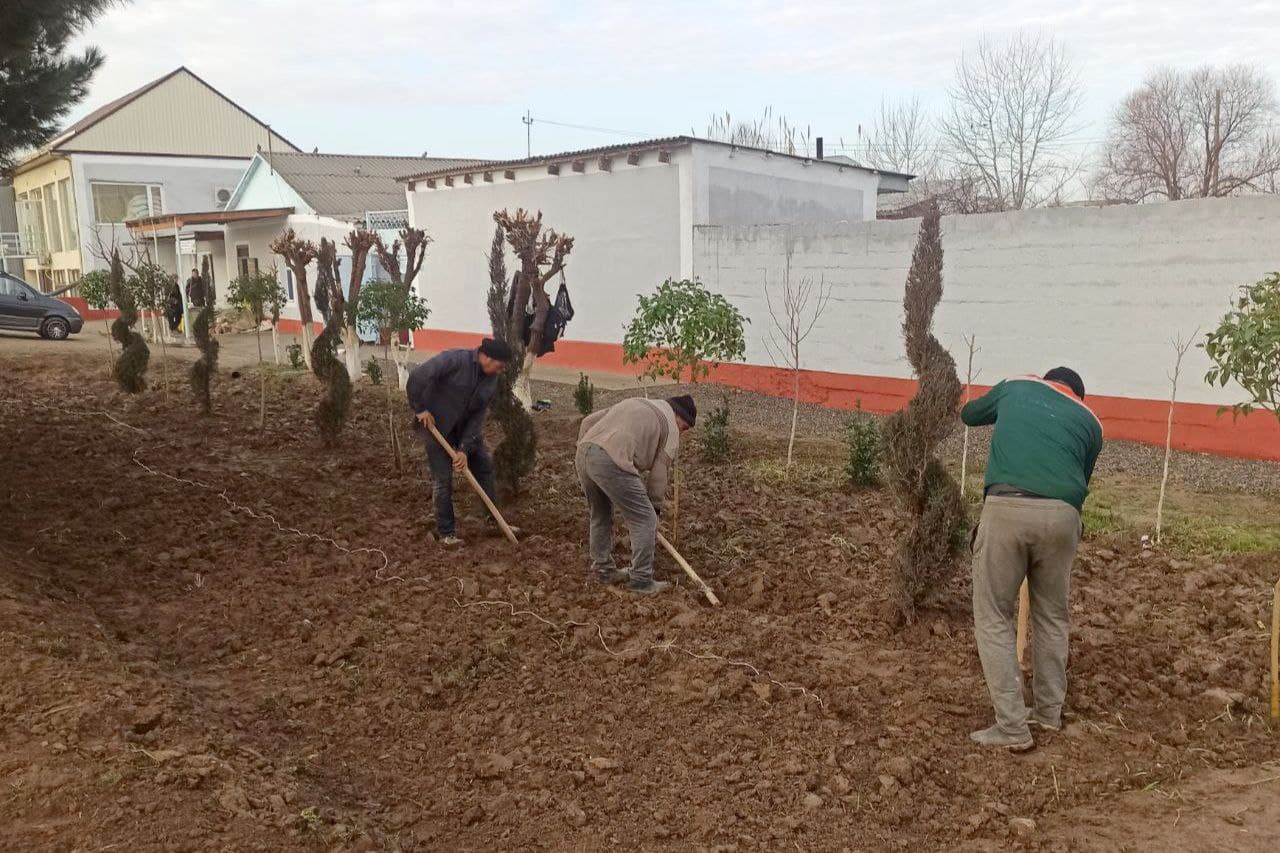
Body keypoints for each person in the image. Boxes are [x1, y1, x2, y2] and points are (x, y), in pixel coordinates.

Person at [960, 367, 1104, 751]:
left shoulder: (1018, 385)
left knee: (994, 616)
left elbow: (970, 415)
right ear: (1076, 394)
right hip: (1063, 518)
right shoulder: (1091, 423)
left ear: (1046, 379)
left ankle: (1010, 727)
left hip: (1007, 508)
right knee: (1053, 616)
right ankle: (1048, 714)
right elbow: (1080, 478)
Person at [575, 394, 696, 595]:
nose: (681, 433)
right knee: (645, 519)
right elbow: (659, 473)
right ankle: (641, 579)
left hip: (584, 451)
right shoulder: (671, 427)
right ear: (679, 416)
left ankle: (603, 570)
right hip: (612, 458)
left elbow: (588, 421)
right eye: (684, 428)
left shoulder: (637, 402)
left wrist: (585, 450)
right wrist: (654, 509)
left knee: (600, 514)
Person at [406, 338, 512, 546]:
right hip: (435, 426)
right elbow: (417, 377)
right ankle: (447, 534)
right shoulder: (453, 360)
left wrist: (464, 449)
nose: (500, 371)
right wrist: (419, 408)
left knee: (484, 466)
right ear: (486, 357)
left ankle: (493, 522)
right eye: (499, 366)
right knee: (443, 480)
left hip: (464, 430)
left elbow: (477, 417)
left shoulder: (490, 380)